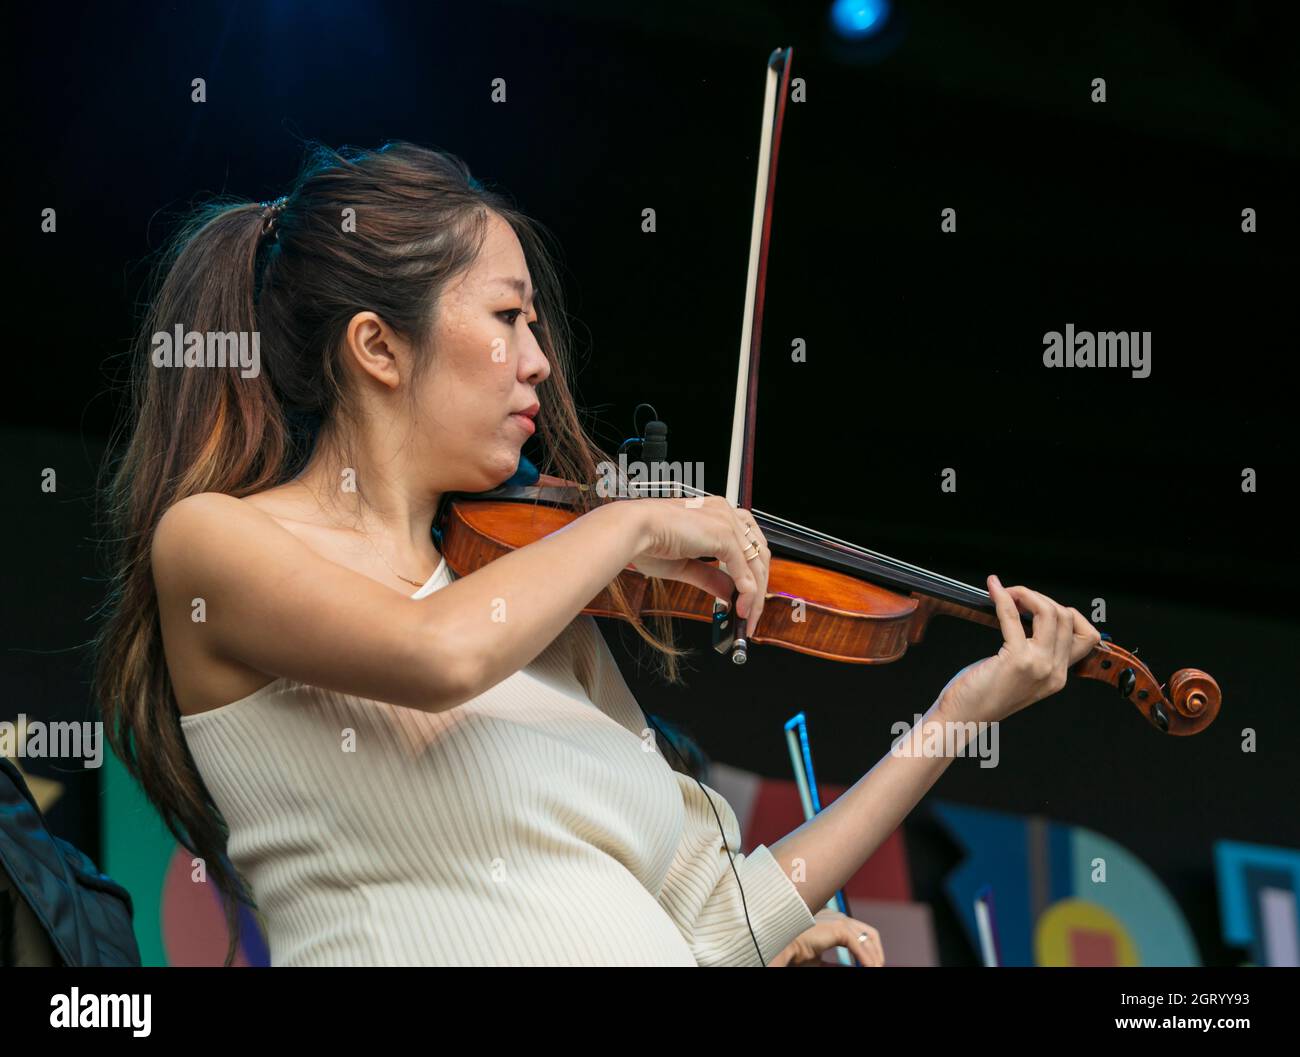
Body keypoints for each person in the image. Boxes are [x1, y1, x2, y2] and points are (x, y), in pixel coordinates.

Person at [95, 141, 1101, 967]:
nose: (538, 359)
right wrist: (631, 521)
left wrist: (952, 717)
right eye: (505, 317)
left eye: (535, 321)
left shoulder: (534, 599)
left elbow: (716, 916)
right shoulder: (219, 541)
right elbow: (434, 654)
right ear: (378, 347)